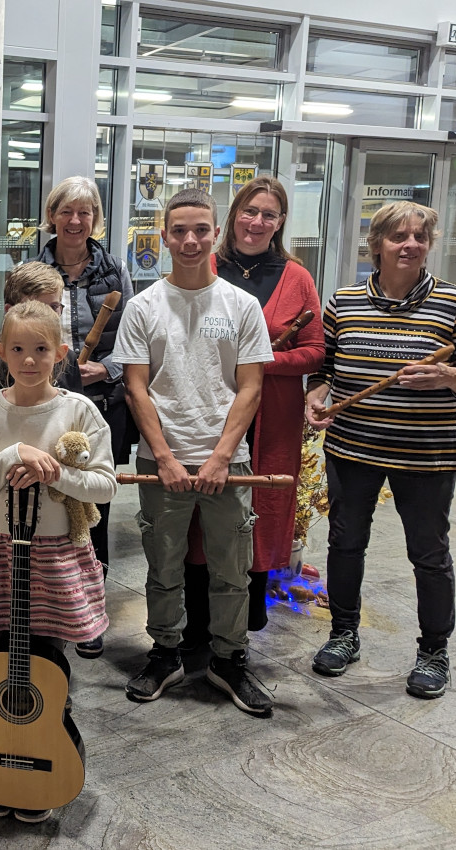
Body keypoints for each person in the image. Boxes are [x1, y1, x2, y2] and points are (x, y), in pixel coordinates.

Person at [305, 201, 456, 699]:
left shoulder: (454, 302)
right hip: (352, 448)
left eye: (419, 237)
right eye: (398, 236)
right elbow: (324, 371)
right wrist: (315, 397)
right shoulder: (343, 301)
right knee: (345, 544)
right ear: (377, 244)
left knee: (429, 555)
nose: (410, 244)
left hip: (425, 455)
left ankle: (433, 650)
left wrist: (451, 377)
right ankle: (344, 633)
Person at [113, 188, 275, 717]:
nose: (189, 240)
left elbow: (250, 387)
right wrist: (163, 457)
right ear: (163, 236)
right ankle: (165, 653)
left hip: (228, 459)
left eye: (200, 230)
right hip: (161, 458)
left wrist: (222, 457)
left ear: (215, 234)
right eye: (179, 230)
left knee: (232, 568)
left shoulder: (241, 305)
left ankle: (230, 660)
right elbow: (137, 388)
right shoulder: (142, 306)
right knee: (164, 565)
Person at [0, 300, 116, 823]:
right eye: (18, 350)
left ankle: (44, 746)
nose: (29, 360)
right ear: (1, 353)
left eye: (41, 349)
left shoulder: (79, 411)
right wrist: (15, 455)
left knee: (46, 655)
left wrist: (55, 475)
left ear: (61, 353)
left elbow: (105, 485)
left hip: (56, 554)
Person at [180, 176, 325, 646]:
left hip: (274, 416)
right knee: (206, 504)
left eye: (269, 214)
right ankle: (198, 614)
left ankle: (247, 613)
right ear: (232, 217)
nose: (257, 222)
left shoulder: (297, 277)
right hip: (211, 407)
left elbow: (316, 351)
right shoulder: (203, 265)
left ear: (281, 222)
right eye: (249, 211)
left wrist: (263, 360)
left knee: (260, 506)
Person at [35, 176, 134, 659]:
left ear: (95, 218)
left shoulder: (114, 272)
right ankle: (47, 603)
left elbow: (136, 338)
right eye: (67, 212)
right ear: (52, 215)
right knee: (50, 506)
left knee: (94, 508)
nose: (76, 221)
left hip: (100, 405)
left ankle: (91, 611)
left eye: (86, 212)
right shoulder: (31, 269)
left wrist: (106, 367)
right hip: (47, 403)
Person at [0, 261, 82, 397]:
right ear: (9, 311)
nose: (45, 317)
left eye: (53, 307)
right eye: (33, 308)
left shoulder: (67, 358)